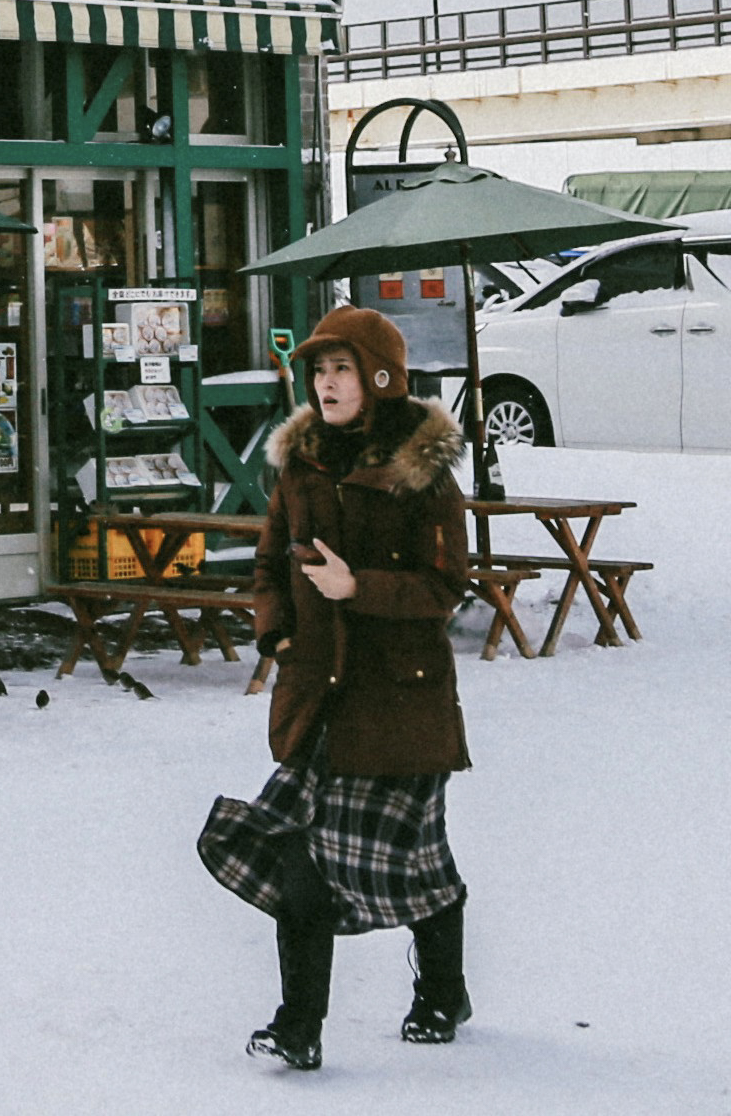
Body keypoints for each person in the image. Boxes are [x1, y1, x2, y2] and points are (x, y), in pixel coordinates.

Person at [234, 305, 472, 1070]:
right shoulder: (300, 462)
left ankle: (443, 991)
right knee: (297, 863)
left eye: (339, 368)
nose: (324, 382)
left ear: (377, 376)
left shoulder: (422, 470)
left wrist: (353, 586)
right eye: (317, 369)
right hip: (318, 695)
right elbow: (269, 563)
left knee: (419, 870)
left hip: (397, 701)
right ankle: (297, 1025)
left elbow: (444, 588)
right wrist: (276, 633)